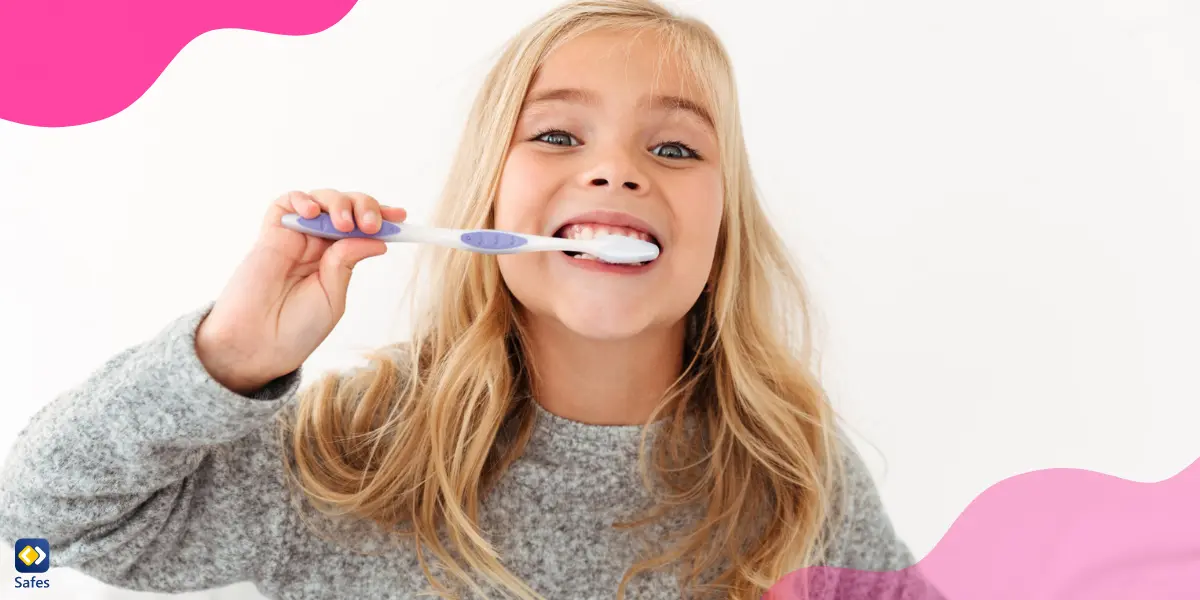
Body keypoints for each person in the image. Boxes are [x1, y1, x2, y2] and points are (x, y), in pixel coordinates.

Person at [0, 1, 943, 598]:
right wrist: (227, 360)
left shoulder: (790, 477)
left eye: (674, 149)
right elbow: (35, 523)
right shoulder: (349, 455)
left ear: (722, 230)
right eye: (559, 136)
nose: (614, 171)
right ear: (488, 200)